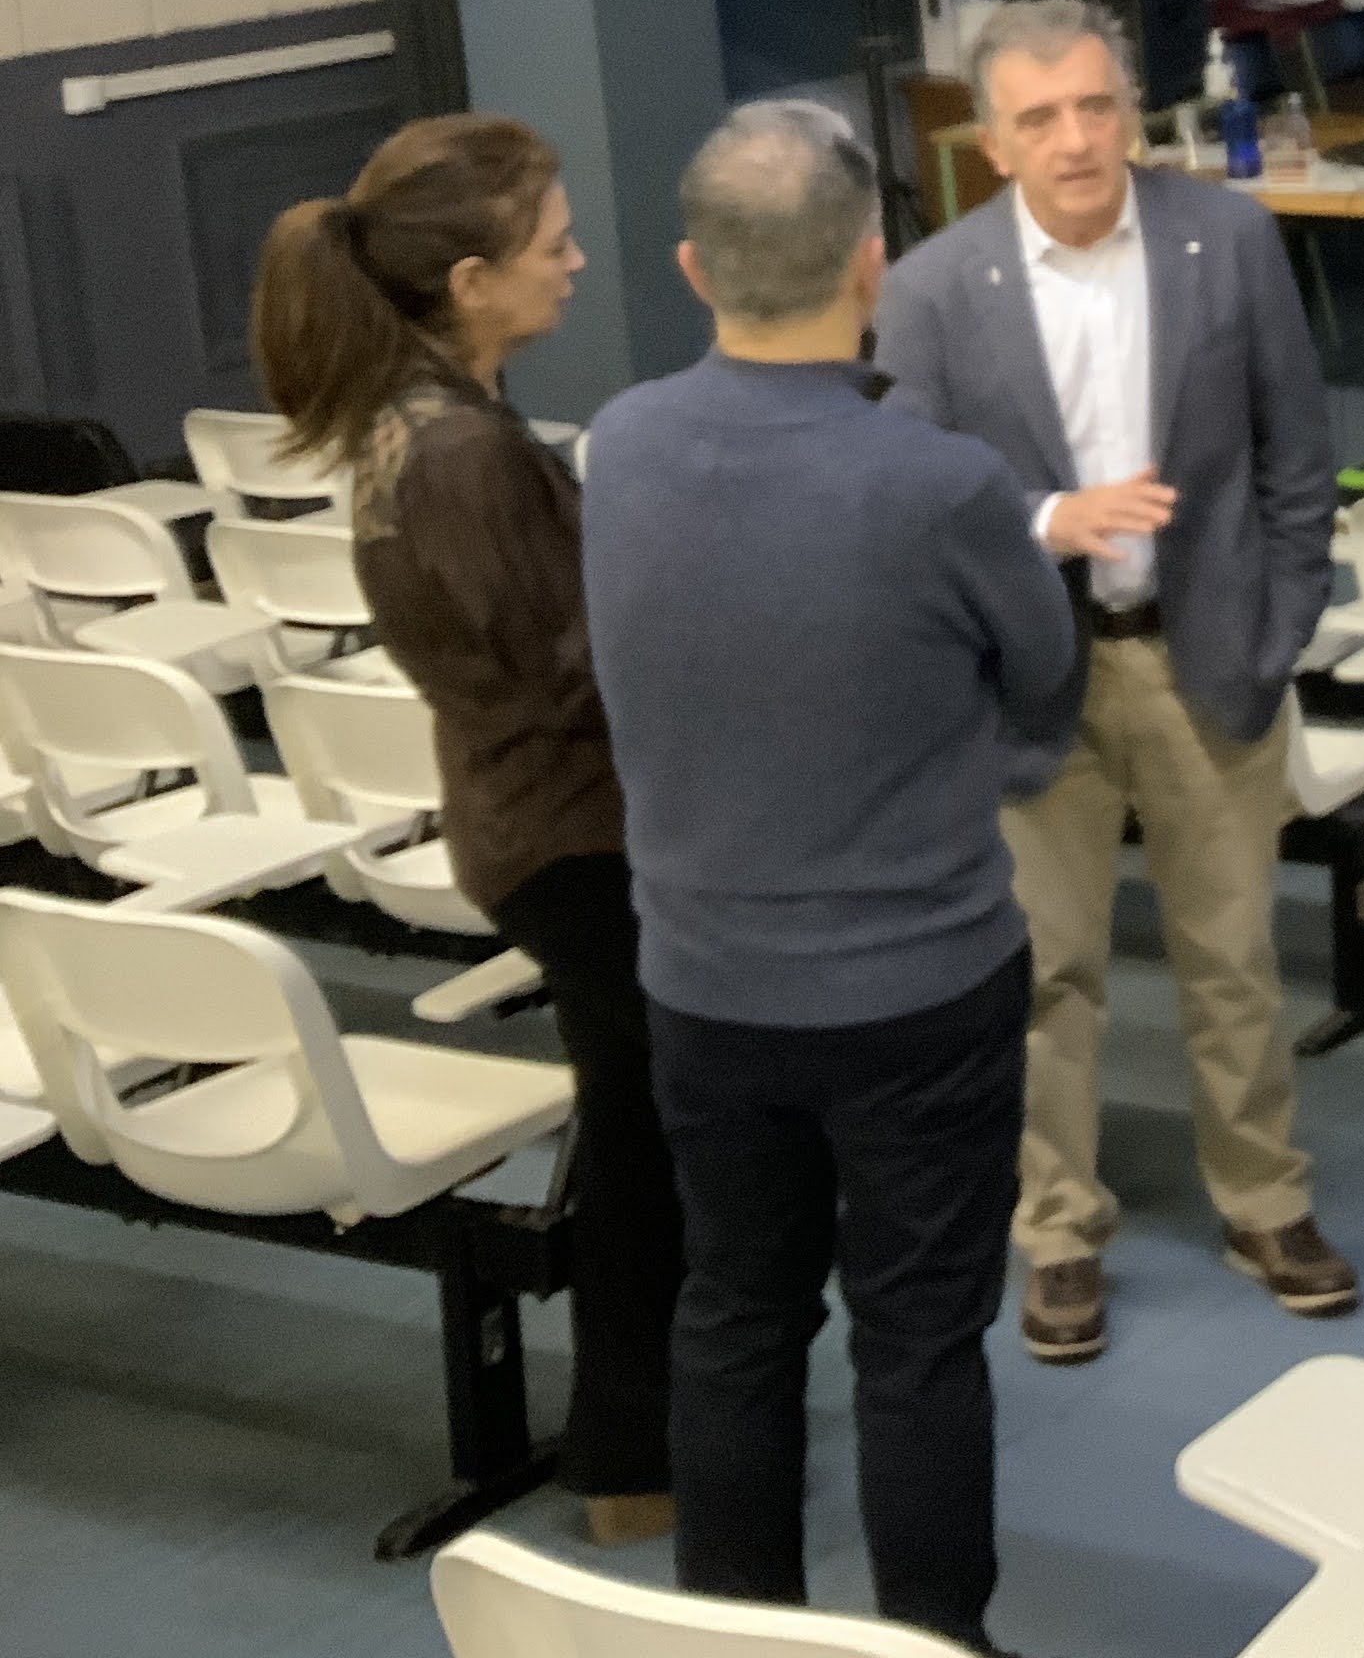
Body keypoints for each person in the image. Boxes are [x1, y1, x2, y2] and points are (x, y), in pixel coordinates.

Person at [585, 102, 1081, 1653]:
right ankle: (933, 1639)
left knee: (734, 1319)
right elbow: (1047, 678)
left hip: (701, 985)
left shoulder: (622, 445)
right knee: (919, 1340)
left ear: (693, 268)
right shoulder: (941, 483)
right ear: (873, 263)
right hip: (921, 988)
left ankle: (737, 1633)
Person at [871, 0, 1345, 1366]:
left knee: (1234, 959)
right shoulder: (934, 288)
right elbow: (910, 498)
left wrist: (1279, 626)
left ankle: (1265, 1203)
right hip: (1032, 683)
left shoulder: (1229, 240)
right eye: (1040, 118)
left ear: (1132, 110)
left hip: (1209, 658)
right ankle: (1060, 1230)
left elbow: (1298, 455)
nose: (1075, 140)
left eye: (1096, 106)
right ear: (990, 142)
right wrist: (1046, 521)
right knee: (1045, 973)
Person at [249, 116, 679, 1554]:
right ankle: (633, 1453)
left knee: (641, 1130)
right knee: (645, 1151)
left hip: (530, 817)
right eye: (553, 242)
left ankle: (641, 1435)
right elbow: (576, 669)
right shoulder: (460, 456)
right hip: (571, 837)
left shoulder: (428, 422)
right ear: (473, 281)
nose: (576, 259)